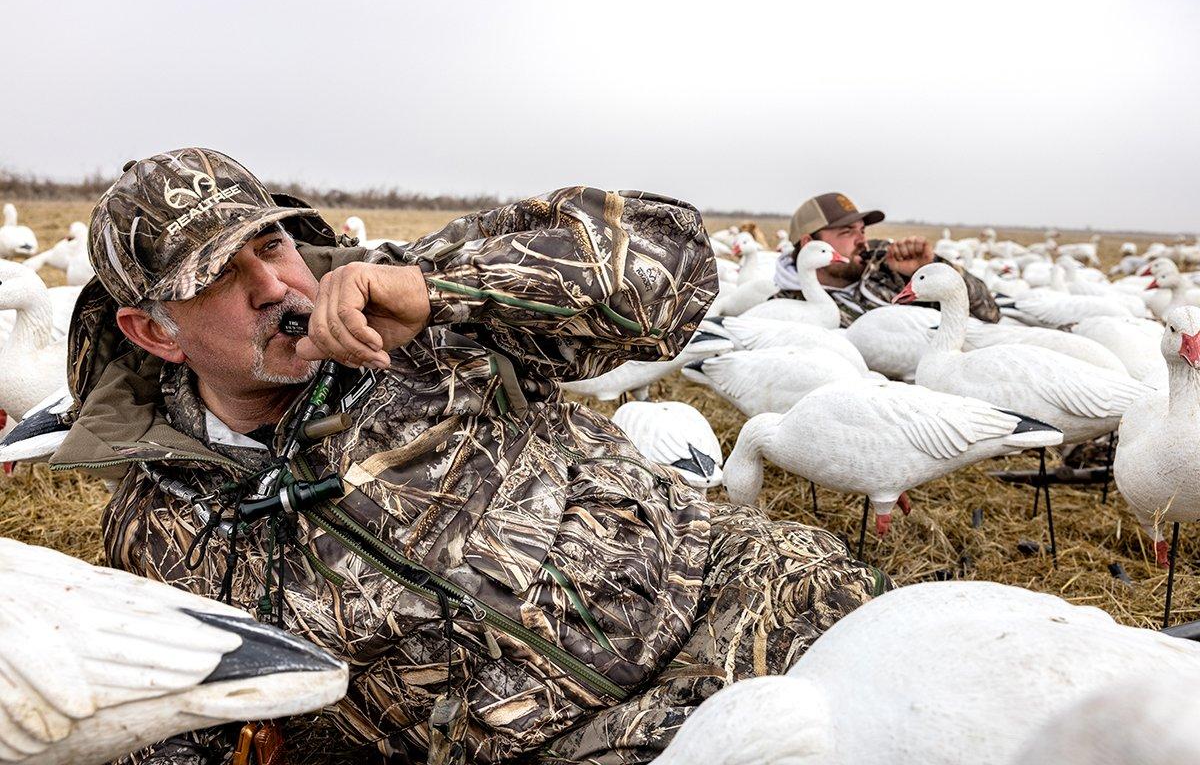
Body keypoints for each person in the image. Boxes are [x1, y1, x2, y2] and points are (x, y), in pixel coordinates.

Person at [52, 148, 888, 765]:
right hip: (573, 750)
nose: (274, 287)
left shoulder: (418, 306)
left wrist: (450, 288)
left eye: (271, 247)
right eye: (218, 278)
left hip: (740, 596)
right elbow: (175, 725)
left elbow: (668, 260)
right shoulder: (162, 526)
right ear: (154, 331)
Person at [774, 192, 1000, 326]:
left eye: (862, 230)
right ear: (808, 244)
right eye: (846, 232)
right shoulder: (786, 310)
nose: (861, 240)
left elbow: (989, 314)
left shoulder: (888, 264)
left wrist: (931, 267)